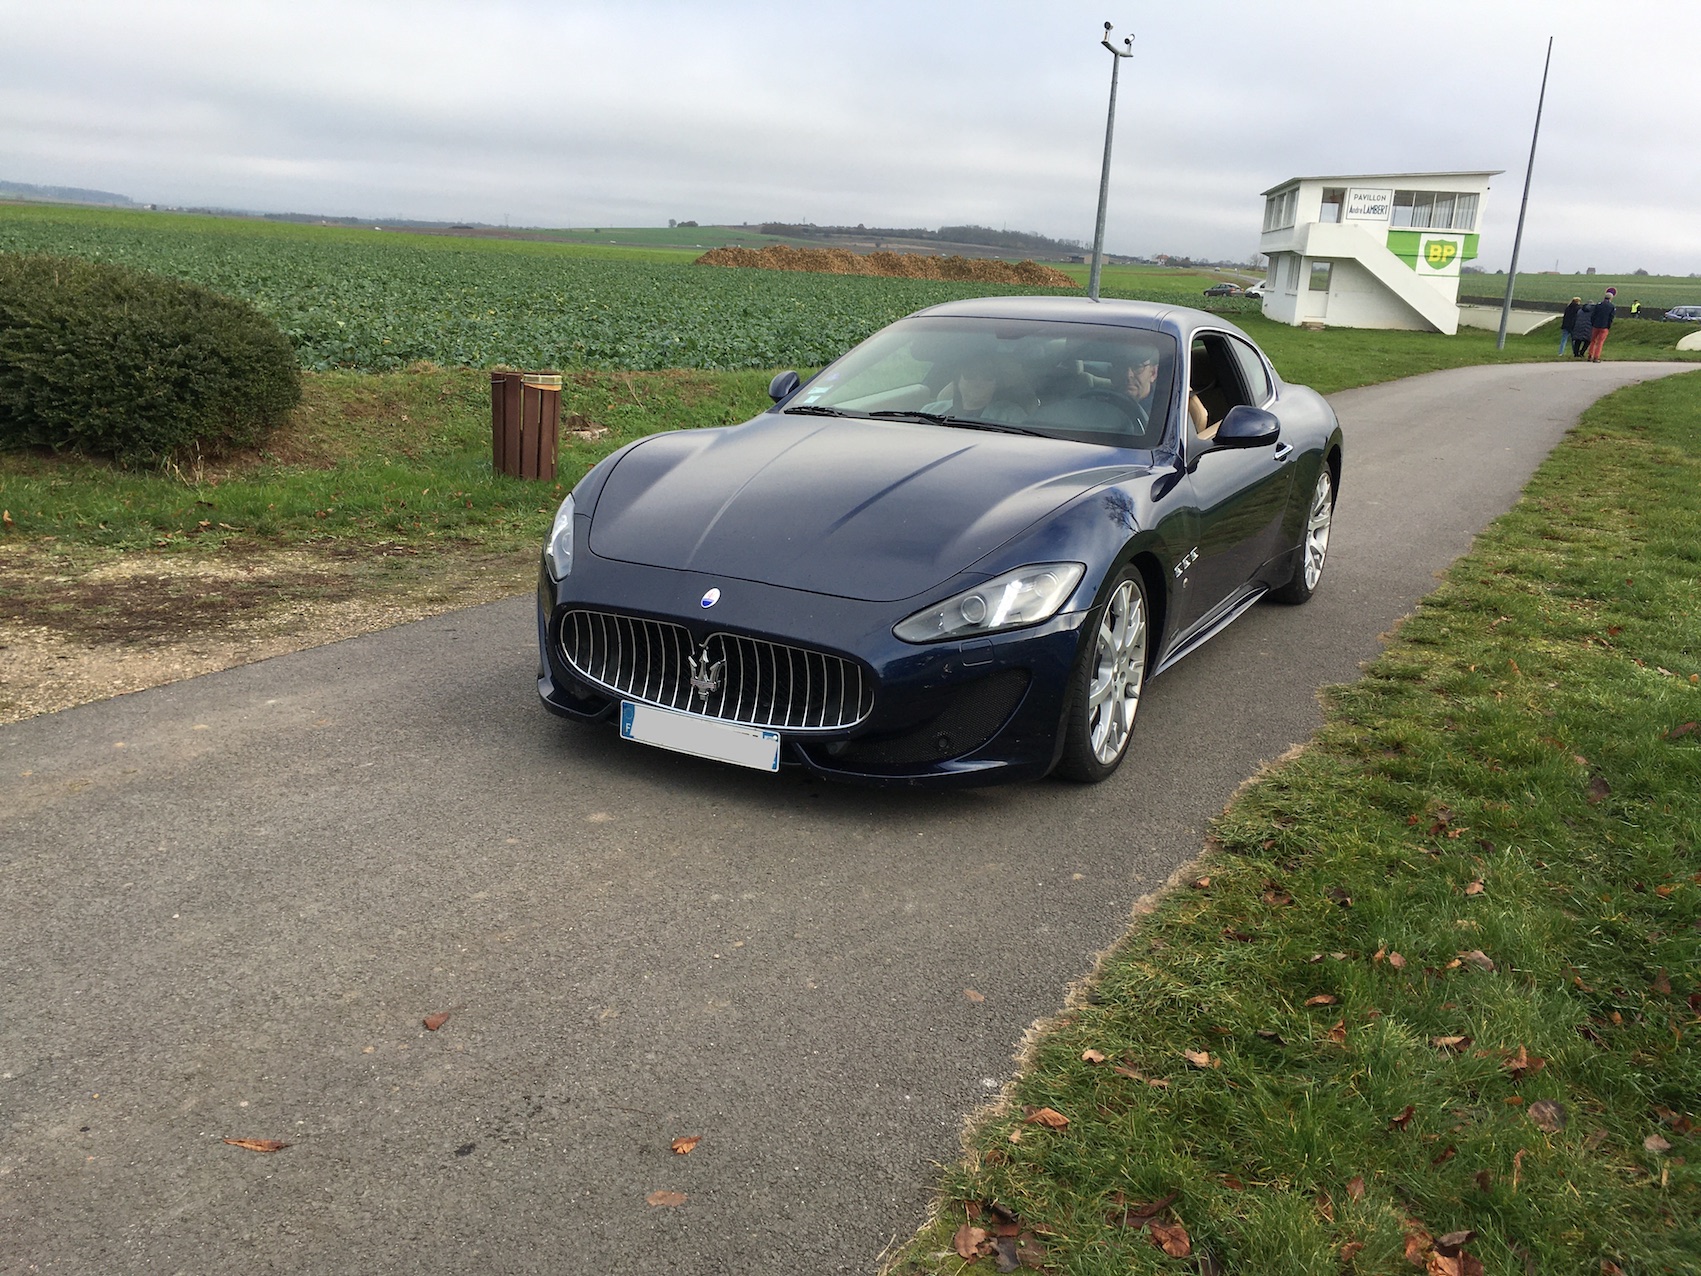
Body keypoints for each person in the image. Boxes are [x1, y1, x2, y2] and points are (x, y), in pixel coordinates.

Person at [923, 355, 1030, 424]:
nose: (978, 381)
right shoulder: (929, 411)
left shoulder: (1012, 416)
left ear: (996, 384)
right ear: (958, 379)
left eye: (987, 375)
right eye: (970, 374)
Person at [1586, 287, 1617, 362]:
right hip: (1604, 326)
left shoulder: (1598, 305)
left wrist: (1593, 323)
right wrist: (1608, 326)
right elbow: (1611, 317)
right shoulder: (1611, 306)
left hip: (1596, 325)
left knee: (1593, 340)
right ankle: (1596, 357)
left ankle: (1590, 355)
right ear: (1611, 298)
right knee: (1600, 342)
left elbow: (1593, 315)